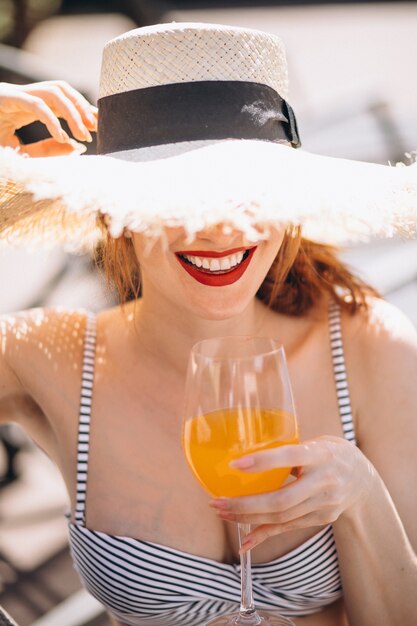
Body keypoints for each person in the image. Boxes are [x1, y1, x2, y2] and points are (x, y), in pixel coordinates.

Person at [0, 22, 416, 626]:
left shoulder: (369, 345)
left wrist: (359, 494)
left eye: (250, 192)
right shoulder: (53, 355)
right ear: (117, 211)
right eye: (182, 195)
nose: (223, 229)